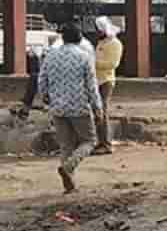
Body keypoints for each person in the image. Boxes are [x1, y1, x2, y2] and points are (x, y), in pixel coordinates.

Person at [37, 23, 103, 194]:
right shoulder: (84, 56)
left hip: (57, 107)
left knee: (66, 145)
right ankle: (68, 167)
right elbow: (91, 86)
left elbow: (41, 80)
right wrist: (98, 107)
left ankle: (70, 185)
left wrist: (45, 98)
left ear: (63, 38)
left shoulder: (50, 56)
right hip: (79, 106)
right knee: (89, 141)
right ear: (79, 37)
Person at [92, 16, 123, 154]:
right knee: (97, 112)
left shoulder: (115, 44)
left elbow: (113, 64)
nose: (96, 32)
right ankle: (100, 142)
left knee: (103, 112)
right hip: (96, 80)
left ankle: (106, 144)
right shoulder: (102, 42)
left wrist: (92, 63)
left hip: (106, 81)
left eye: (98, 29)